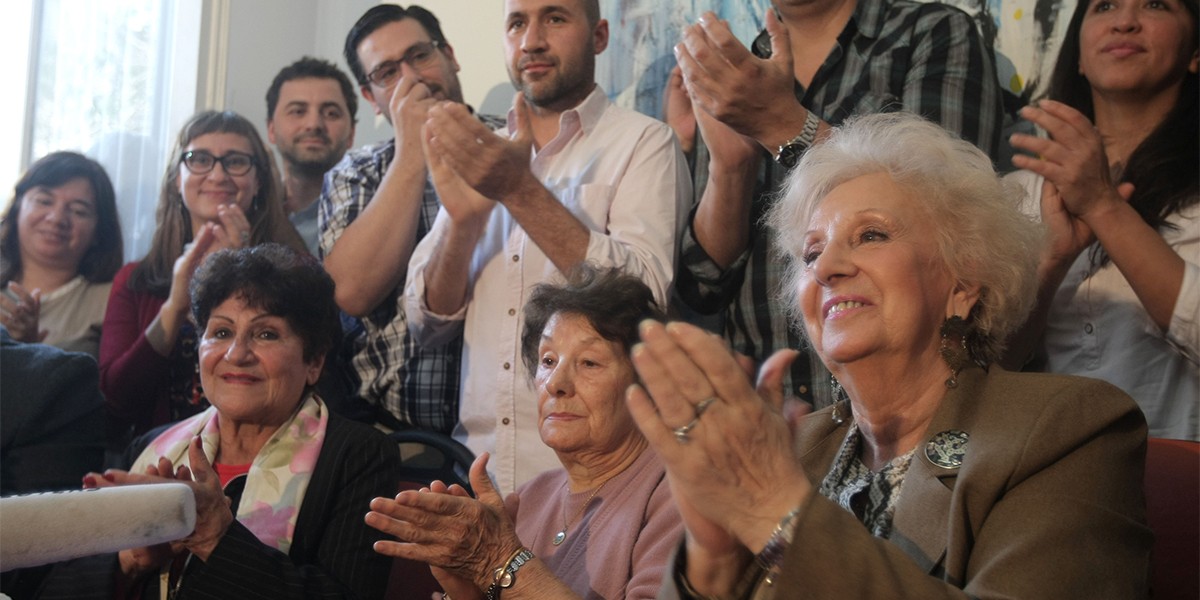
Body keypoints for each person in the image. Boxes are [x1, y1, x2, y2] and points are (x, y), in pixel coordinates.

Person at [626, 113, 1151, 598]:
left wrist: (775, 510)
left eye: (870, 235)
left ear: (964, 282)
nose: (826, 266)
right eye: (811, 253)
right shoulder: (795, 445)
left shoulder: (1068, 428)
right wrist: (711, 564)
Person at [405, 0, 690, 492]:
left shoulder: (645, 143)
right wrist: (463, 223)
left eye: (555, 18)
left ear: (599, 36)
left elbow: (644, 300)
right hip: (476, 473)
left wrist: (518, 190)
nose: (531, 40)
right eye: (517, 23)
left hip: (596, 483)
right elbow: (425, 321)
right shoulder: (480, 151)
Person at [665, 0, 1003, 409]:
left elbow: (948, 214)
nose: (823, 266)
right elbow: (703, 286)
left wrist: (779, 123)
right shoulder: (738, 70)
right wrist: (731, 167)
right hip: (770, 407)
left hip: (914, 404)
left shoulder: (929, 31)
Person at [38, 244, 402, 599]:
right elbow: (52, 589)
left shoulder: (358, 455)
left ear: (314, 362)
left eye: (266, 334)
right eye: (221, 332)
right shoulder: (150, 447)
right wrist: (133, 559)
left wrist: (215, 538)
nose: (236, 354)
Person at [368, 265, 682, 599]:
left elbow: (506, 567)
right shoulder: (532, 497)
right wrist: (469, 590)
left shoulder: (679, 496)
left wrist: (499, 561)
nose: (557, 384)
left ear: (647, 384)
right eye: (548, 361)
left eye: (589, 362)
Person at [1005, 0, 1198, 441]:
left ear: (1195, 52)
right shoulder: (1016, 194)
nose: (1124, 22)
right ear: (1078, 54)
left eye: (1155, 5)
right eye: (1104, 6)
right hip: (1052, 482)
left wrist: (1103, 207)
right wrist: (1050, 263)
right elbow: (979, 373)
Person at [320, 4, 505, 432]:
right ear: (371, 98)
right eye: (387, 72)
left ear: (450, 56)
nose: (412, 78)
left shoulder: (511, 145)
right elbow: (351, 293)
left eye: (420, 55)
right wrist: (410, 154)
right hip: (390, 437)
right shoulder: (358, 171)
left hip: (512, 431)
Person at [99, 111, 307, 445]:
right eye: (200, 160)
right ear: (177, 179)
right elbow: (116, 402)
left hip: (273, 451)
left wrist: (245, 273)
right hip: (162, 459)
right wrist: (175, 306)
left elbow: (311, 380)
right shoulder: (134, 279)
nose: (218, 174)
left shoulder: (299, 271)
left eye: (236, 161)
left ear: (259, 182)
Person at [0, 151, 123, 357]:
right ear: (17, 207)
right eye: (44, 201)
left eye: (78, 211)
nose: (57, 219)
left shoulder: (113, 300)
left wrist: (29, 350)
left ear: (99, 232)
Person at [266, 56, 358, 255]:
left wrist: (275, 215)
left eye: (331, 113)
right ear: (271, 129)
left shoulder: (370, 212)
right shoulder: (247, 204)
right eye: (298, 111)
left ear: (351, 133)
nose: (314, 124)